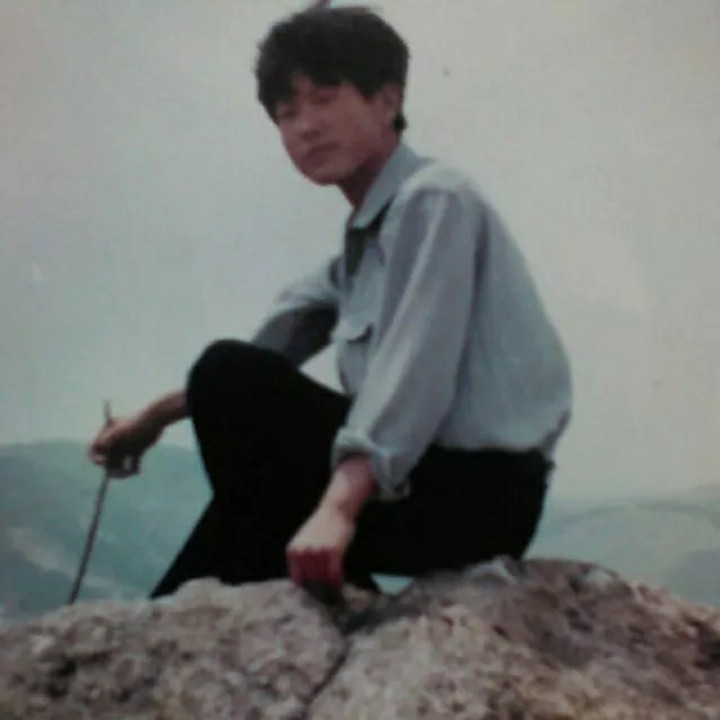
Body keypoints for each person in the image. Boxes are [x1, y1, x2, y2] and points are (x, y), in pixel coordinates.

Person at [88, 5, 572, 598]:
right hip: (424, 485)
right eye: (286, 113)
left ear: (387, 100)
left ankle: (237, 596)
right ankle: (229, 599)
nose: (306, 126)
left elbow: (413, 373)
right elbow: (268, 354)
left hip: (476, 497)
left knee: (229, 388)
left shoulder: (435, 200)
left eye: (323, 98)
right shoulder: (364, 245)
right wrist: (153, 419)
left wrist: (337, 510)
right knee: (235, 421)